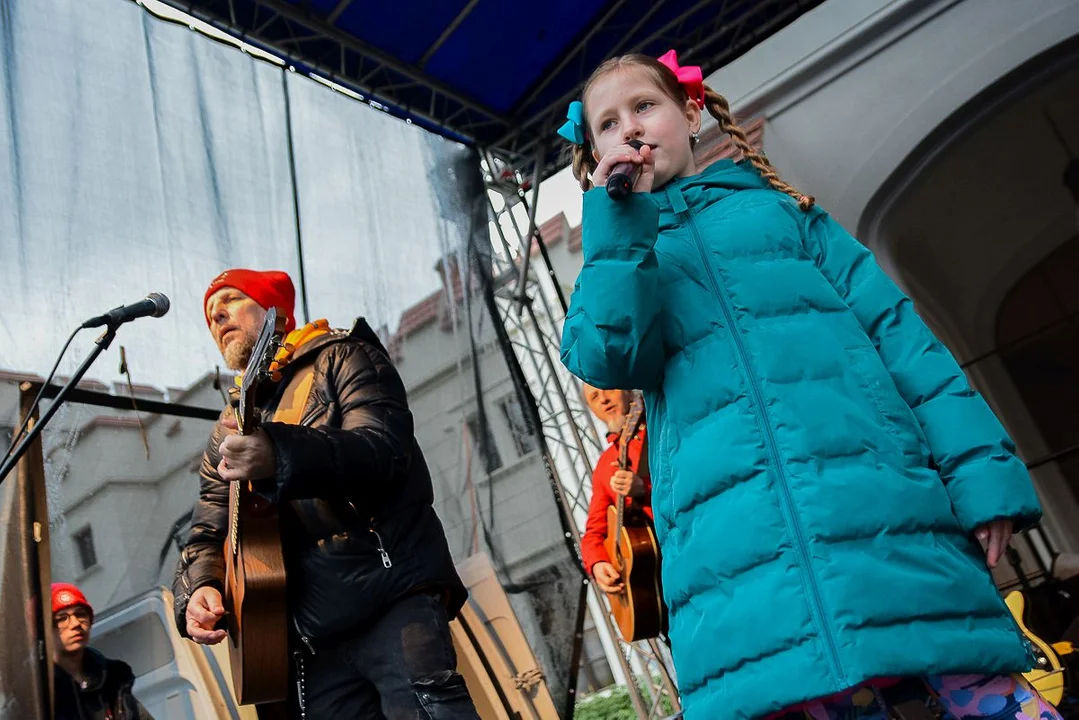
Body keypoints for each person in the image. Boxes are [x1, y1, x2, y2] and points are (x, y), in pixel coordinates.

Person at [557, 50, 1059, 719]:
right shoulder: (617, 259)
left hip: (884, 515)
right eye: (608, 124)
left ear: (690, 110)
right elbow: (608, 356)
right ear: (594, 157)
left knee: (987, 699)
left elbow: (904, 344)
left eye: (643, 106)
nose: (630, 128)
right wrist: (619, 227)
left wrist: (979, 477)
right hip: (742, 564)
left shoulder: (788, 216)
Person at [172, 268, 479, 719]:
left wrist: (279, 454)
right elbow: (207, 531)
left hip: (390, 602)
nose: (218, 317)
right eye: (210, 316)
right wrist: (199, 588)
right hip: (306, 642)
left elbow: (384, 451)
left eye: (232, 301)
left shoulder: (344, 357)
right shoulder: (228, 427)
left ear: (276, 313)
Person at [579, 384, 653, 596]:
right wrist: (597, 563)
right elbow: (594, 532)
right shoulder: (604, 467)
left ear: (628, 390)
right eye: (594, 397)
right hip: (653, 583)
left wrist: (644, 489)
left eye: (608, 389)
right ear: (591, 409)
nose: (603, 399)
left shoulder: (658, 429)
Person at [52, 582, 154, 720]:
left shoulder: (113, 679)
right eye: (62, 618)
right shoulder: (36, 692)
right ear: (41, 630)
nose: (75, 624)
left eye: (81, 614)